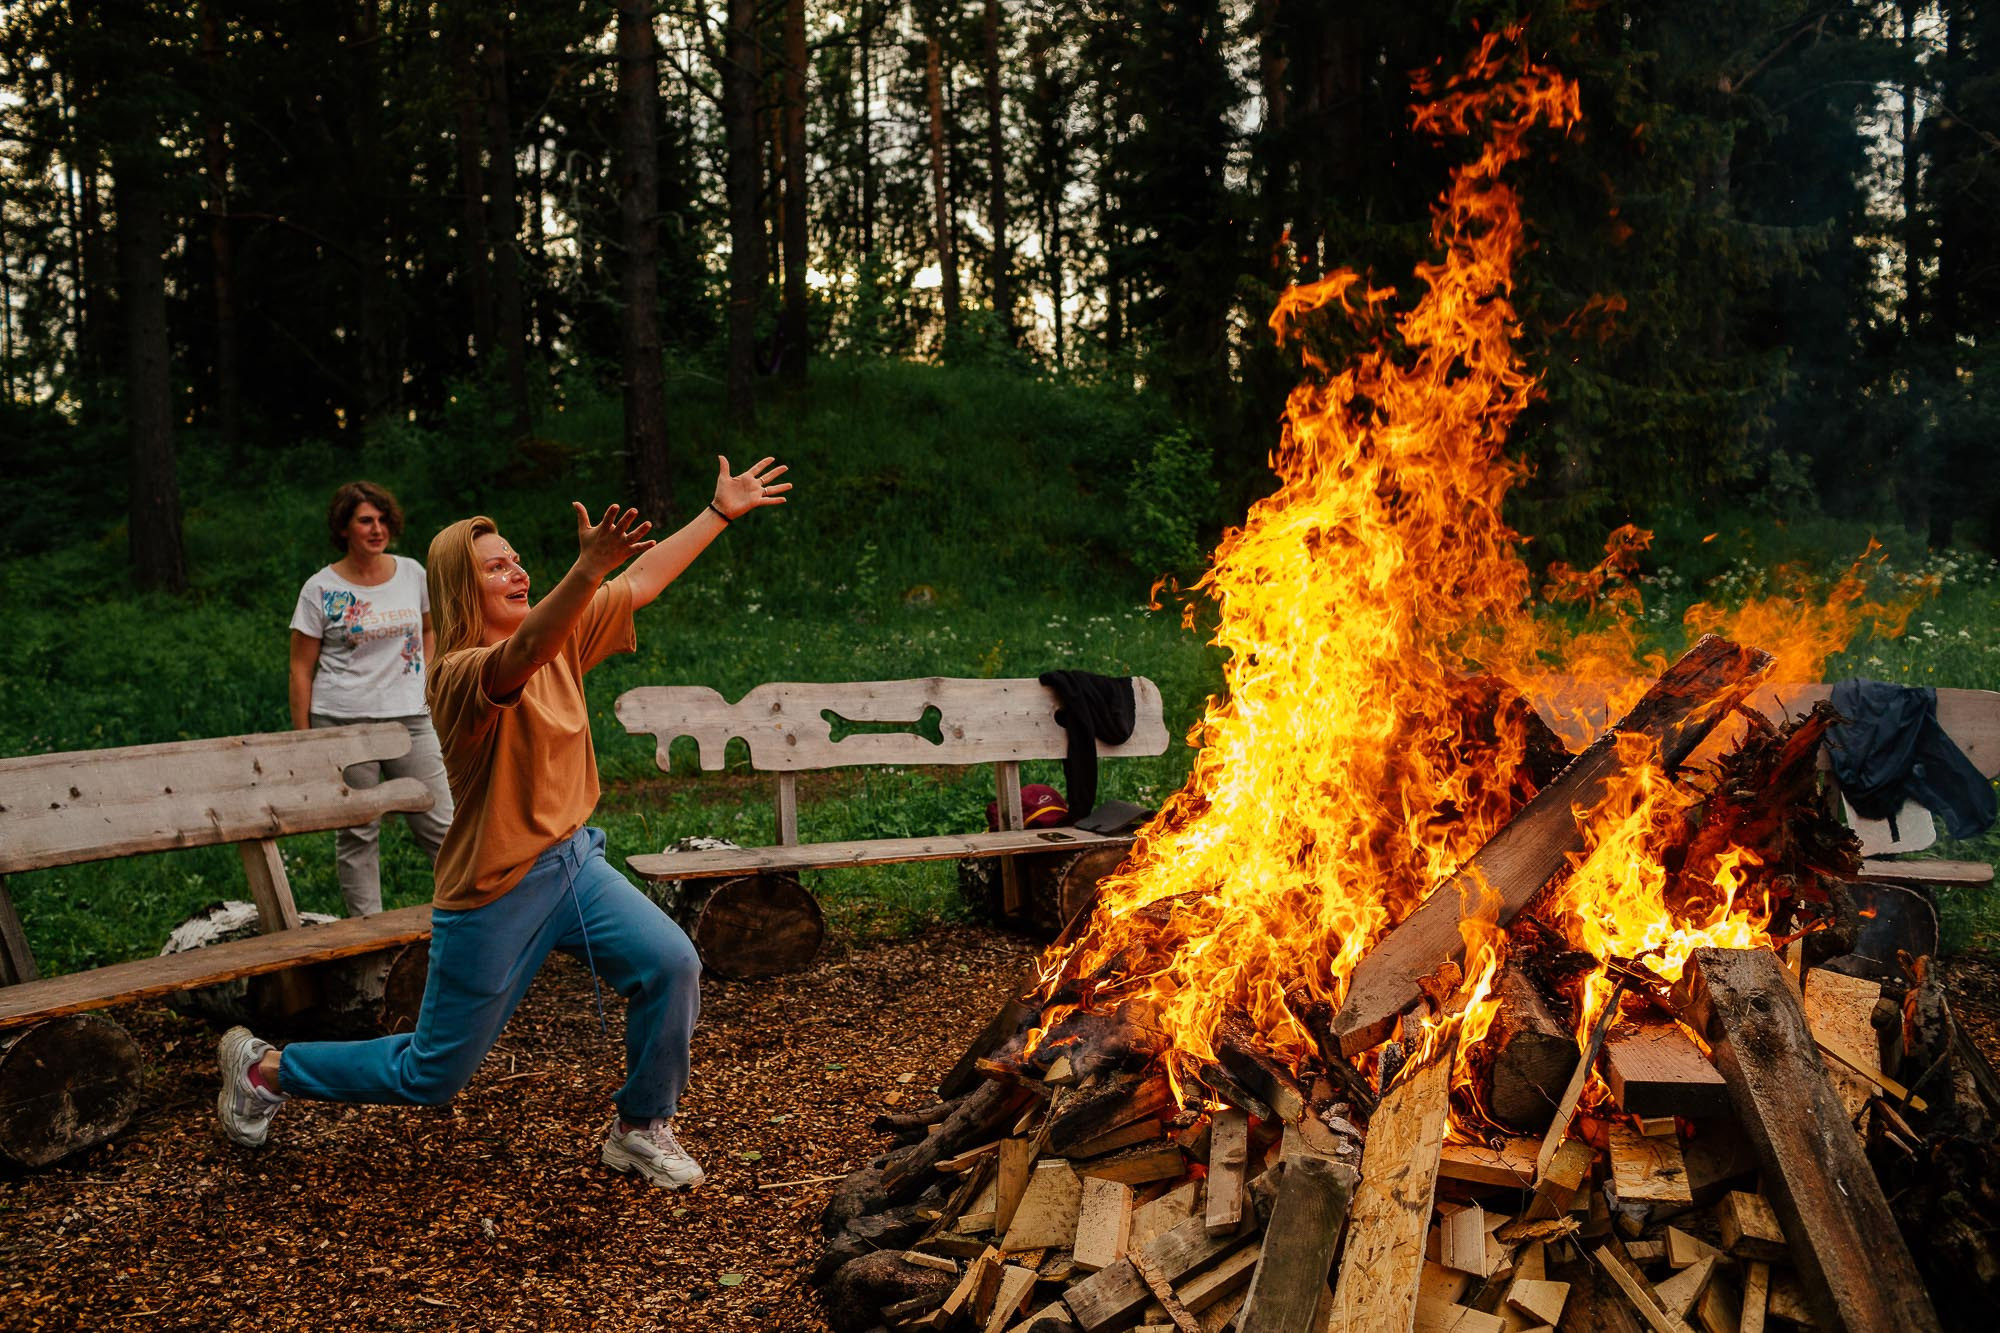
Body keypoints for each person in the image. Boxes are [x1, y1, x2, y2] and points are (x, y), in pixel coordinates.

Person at [220, 456, 792, 1188]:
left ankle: (641, 1124)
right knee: (431, 1071)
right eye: (497, 568)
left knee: (671, 963)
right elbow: (520, 654)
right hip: (494, 891)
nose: (517, 571)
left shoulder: (563, 634)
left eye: (519, 560)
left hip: (574, 865)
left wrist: (717, 513)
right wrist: (584, 571)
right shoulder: (459, 673)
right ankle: (265, 1068)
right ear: (464, 587)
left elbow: (641, 582)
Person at [289, 481, 455, 916]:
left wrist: (430, 680)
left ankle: (472, 915)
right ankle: (369, 936)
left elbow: (431, 628)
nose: (377, 529)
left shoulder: (412, 573)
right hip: (344, 723)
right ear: (344, 528)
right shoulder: (320, 589)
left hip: (411, 719)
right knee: (359, 831)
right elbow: (301, 667)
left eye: (383, 520)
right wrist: (303, 739)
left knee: (442, 823)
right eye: (366, 520)